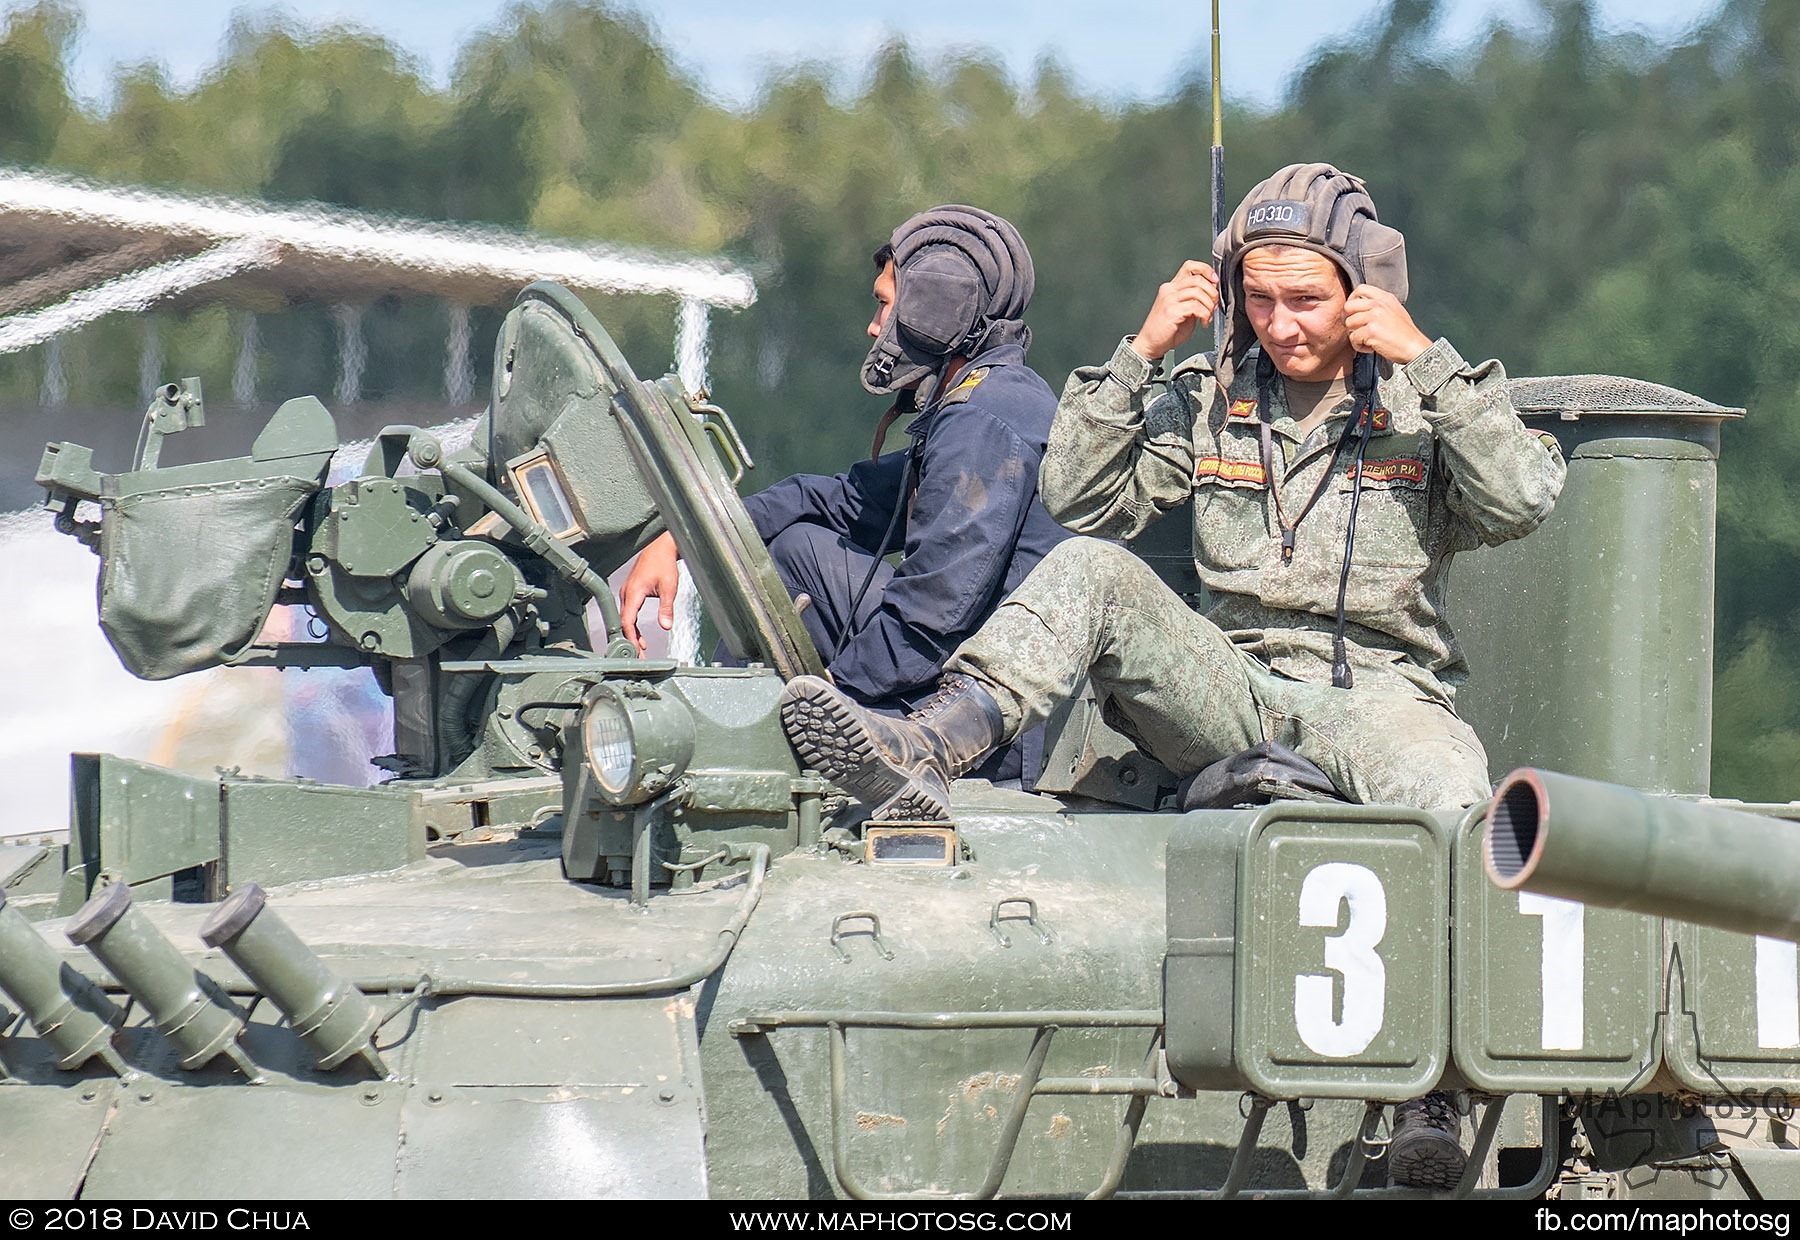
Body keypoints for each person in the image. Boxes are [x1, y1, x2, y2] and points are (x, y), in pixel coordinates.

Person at [777, 163, 1567, 1189]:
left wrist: (1426, 360)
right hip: (1232, 687)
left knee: (1456, 801)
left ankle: (1434, 1094)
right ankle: (930, 741)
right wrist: (1144, 352)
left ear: (1365, 291)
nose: (1281, 325)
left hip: (1381, 694)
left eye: (1308, 300)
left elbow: (1523, 497)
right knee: (1093, 573)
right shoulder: (1210, 402)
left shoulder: (1423, 404)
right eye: (1261, 298)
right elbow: (1080, 496)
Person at [620, 205, 1069, 782]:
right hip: (972, 681)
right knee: (799, 540)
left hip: (991, 726)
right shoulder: (987, 400)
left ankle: (748, 747)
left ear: (933, 311)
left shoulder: (984, 419)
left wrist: (818, 708)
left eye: (885, 303)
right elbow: (837, 499)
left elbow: (930, 617)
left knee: (798, 556)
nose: (874, 326)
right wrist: (678, 539)